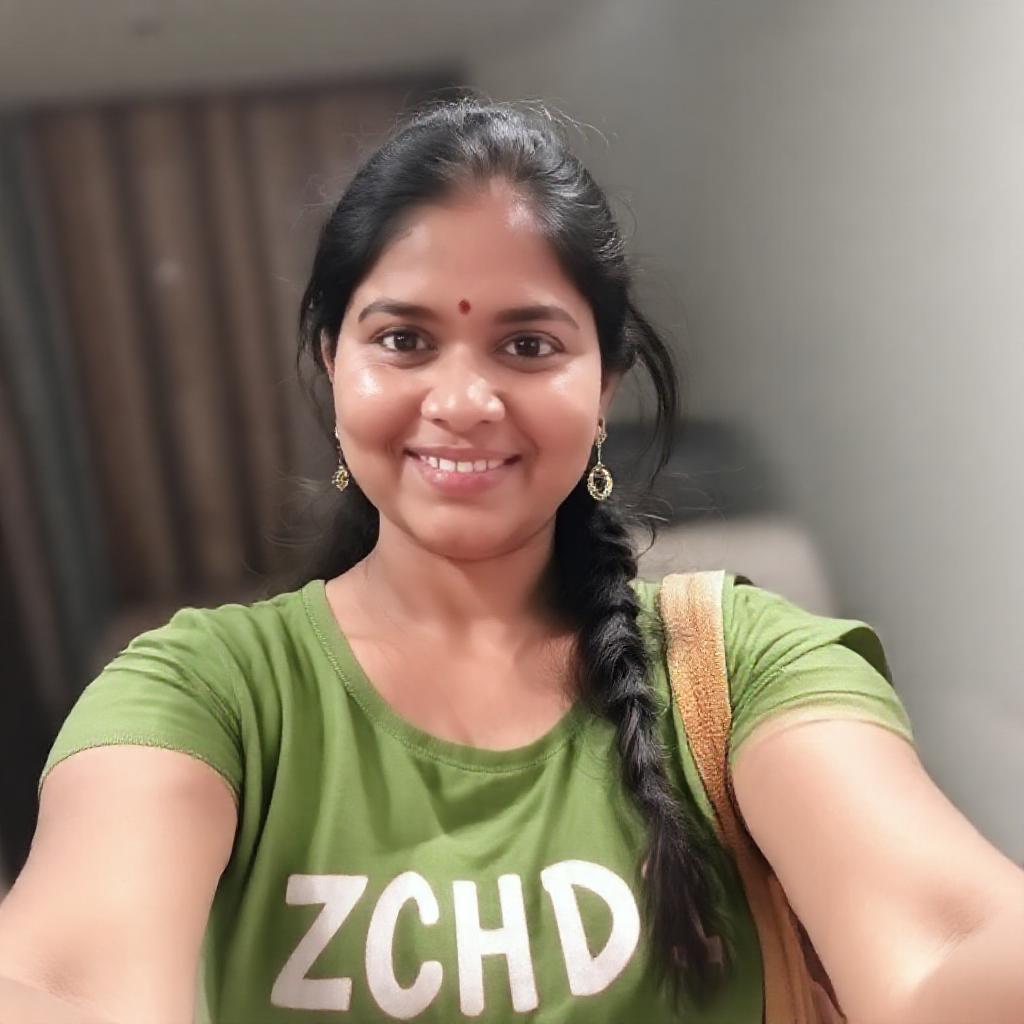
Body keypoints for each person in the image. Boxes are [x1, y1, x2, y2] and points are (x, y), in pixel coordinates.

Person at [1, 96, 1022, 1024]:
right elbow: (69, 981)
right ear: (331, 360)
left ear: (605, 382)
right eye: (403, 340)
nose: (461, 402)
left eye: (527, 346)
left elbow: (939, 955)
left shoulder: (744, 664)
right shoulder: (204, 692)